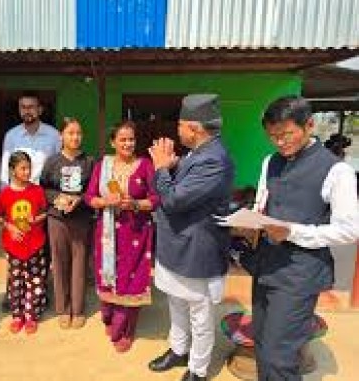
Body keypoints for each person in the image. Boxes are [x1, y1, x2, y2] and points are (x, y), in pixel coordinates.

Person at [245, 97, 359, 381]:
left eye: (286, 134)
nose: (279, 142)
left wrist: (294, 232)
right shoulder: (270, 162)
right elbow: (263, 202)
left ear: (309, 125)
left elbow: (349, 229)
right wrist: (251, 222)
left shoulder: (336, 170)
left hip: (300, 274)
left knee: (279, 357)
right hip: (266, 264)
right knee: (261, 344)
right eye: (272, 136)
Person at [148, 94, 234, 381]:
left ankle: (197, 368)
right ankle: (178, 349)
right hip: (178, 244)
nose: (178, 130)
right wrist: (172, 168)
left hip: (197, 249)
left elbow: (173, 200)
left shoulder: (214, 160)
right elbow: (178, 190)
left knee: (200, 313)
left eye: (180, 125)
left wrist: (162, 168)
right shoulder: (196, 153)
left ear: (194, 128)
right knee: (176, 302)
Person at [84, 121, 159, 353]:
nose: (128, 143)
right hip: (107, 233)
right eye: (123, 139)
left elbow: (156, 199)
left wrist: (135, 204)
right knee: (108, 275)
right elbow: (89, 197)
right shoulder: (103, 166)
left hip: (136, 232)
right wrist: (106, 201)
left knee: (131, 278)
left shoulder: (145, 165)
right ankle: (110, 313)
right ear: (113, 142)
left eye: (131, 139)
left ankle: (126, 328)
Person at [40, 118, 94, 329]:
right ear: (61, 136)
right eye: (71, 133)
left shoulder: (89, 162)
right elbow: (43, 188)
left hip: (81, 219)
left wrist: (79, 199)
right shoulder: (52, 161)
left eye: (79, 133)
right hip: (57, 219)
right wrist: (58, 198)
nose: (75, 137)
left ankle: (78, 308)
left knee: (80, 262)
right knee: (59, 262)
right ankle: (63, 308)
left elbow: (93, 190)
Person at [0, 151, 48, 334]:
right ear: (12, 170)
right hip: (14, 246)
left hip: (35, 244)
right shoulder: (5, 194)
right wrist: (9, 227)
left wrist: (35, 219)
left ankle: (31, 315)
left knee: (35, 280)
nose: (27, 172)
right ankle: (17, 315)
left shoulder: (37, 191)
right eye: (23, 168)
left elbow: (45, 212)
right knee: (16, 281)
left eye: (29, 168)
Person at [0, 91, 61, 186]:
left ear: (40, 110)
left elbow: (60, 165)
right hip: (19, 191)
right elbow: (5, 169)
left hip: (45, 191)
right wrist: (5, 191)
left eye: (31, 107)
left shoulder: (54, 135)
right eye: (23, 107)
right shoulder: (11, 135)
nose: (27, 111)